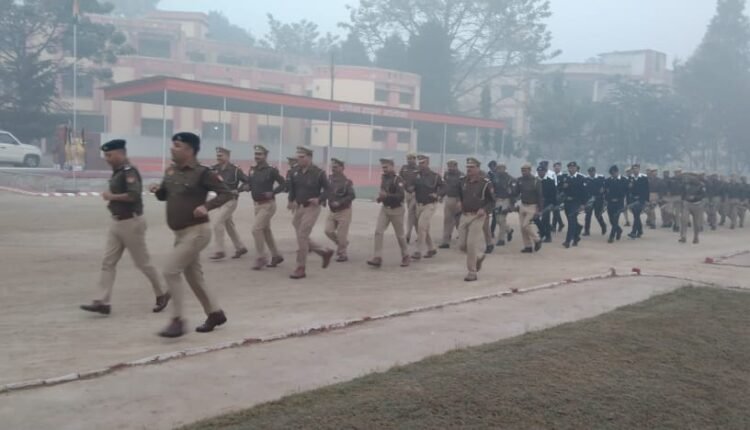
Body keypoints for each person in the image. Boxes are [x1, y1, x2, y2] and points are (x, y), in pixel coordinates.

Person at [150, 132, 232, 338]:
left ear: (189, 150)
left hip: (197, 232)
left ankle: (177, 320)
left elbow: (226, 193)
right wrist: (157, 190)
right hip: (179, 234)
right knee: (194, 277)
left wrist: (207, 206)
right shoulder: (171, 171)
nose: (172, 148)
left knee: (170, 271)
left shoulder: (202, 172)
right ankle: (215, 313)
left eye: (177, 146)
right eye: (173, 145)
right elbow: (164, 195)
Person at [80, 139, 169, 316]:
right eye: (106, 155)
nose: (107, 159)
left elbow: (133, 195)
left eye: (110, 155)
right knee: (108, 262)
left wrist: (112, 197)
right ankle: (102, 301)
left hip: (131, 222)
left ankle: (163, 292)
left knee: (142, 263)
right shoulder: (118, 171)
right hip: (117, 221)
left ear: (121, 154)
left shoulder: (129, 172)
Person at [287, 146, 334, 279]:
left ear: (309, 157)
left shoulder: (318, 173)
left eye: (302, 157)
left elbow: (329, 189)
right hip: (299, 207)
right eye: (298, 157)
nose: (299, 159)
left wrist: (319, 199)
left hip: (312, 208)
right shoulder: (294, 171)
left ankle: (300, 267)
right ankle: (323, 251)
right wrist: (291, 200)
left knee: (302, 235)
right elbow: (292, 188)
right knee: (300, 233)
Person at [247, 145, 286, 270]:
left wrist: (273, 192)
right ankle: (276, 255)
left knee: (256, 229)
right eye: (256, 154)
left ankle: (261, 257)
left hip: (268, 205)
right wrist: (245, 187)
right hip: (257, 205)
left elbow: (284, 183)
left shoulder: (271, 170)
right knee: (265, 230)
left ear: (265, 156)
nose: (257, 156)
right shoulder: (252, 170)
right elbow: (249, 184)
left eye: (260, 154)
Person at [368, 158, 410, 268]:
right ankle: (377, 257)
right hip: (385, 209)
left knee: (400, 235)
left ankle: (406, 255)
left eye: (386, 167)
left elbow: (400, 196)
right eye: (383, 167)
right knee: (378, 231)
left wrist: (387, 196)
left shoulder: (398, 179)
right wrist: (380, 198)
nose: (384, 169)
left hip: (397, 210)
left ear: (392, 166)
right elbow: (383, 192)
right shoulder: (384, 178)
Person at [457, 157, 493, 282]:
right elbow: (460, 195)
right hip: (464, 215)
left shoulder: (485, 183)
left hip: (478, 216)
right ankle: (478, 256)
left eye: (472, 167)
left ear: (478, 168)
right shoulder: (462, 181)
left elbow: (492, 201)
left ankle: (472, 272)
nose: (469, 169)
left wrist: (484, 209)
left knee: (471, 244)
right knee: (462, 245)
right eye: (467, 167)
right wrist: (459, 202)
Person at [209, 147, 249, 261]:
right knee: (228, 225)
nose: (218, 158)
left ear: (227, 156)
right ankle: (240, 247)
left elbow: (247, 181)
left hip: (231, 200)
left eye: (220, 156)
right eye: (217, 156)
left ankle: (220, 250)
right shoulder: (214, 169)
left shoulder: (235, 170)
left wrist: (239, 190)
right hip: (220, 201)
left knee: (217, 222)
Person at [412, 154, 443, 260]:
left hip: (430, 205)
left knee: (421, 226)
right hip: (418, 205)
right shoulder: (416, 175)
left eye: (423, 163)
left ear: (428, 163)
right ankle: (431, 248)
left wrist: (438, 194)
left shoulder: (435, 176)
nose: (421, 165)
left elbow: (444, 187)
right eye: (419, 163)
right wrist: (408, 187)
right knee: (424, 228)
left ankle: (418, 251)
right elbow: (410, 186)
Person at [324, 158, 355, 262]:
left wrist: (340, 202)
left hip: (344, 211)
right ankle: (343, 244)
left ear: (342, 168)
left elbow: (352, 195)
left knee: (342, 235)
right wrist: (323, 200)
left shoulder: (347, 182)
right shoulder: (329, 180)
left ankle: (342, 254)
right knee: (328, 231)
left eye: (336, 167)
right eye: (332, 167)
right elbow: (326, 191)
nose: (333, 169)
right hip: (332, 211)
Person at [513, 164, 543, 253]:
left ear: (530, 170)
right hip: (523, 205)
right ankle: (528, 246)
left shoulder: (536, 181)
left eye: (525, 170)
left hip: (532, 206)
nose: (523, 172)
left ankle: (537, 239)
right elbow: (516, 193)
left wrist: (540, 210)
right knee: (522, 228)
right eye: (522, 170)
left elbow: (540, 196)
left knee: (525, 225)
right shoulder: (519, 180)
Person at [557, 161, 586, 248]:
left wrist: (583, 204)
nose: (572, 169)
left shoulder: (581, 178)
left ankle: (568, 241)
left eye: (573, 167)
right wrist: (563, 186)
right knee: (572, 221)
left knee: (571, 219)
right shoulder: (565, 177)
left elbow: (584, 192)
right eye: (570, 168)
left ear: (576, 168)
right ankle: (577, 236)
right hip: (567, 202)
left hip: (576, 202)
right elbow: (558, 188)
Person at [439, 160, 463, 249]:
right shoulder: (446, 174)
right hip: (449, 199)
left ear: (456, 166)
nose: (450, 168)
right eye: (448, 166)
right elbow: (445, 186)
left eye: (451, 166)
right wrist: (441, 195)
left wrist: (460, 201)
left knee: (459, 222)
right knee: (447, 220)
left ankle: (463, 240)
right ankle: (445, 241)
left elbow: (462, 190)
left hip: (457, 200)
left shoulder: (461, 176)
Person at [491, 163, 515, 247]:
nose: (500, 170)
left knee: (502, 219)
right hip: (497, 200)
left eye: (501, 168)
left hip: (506, 200)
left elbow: (513, 193)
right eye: (498, 168)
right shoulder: (495, 178)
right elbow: (492, 189)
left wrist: (512, 204)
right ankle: (509, 230)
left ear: (505, 168)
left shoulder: (510, 179)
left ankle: (501, 239)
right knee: (498, 220)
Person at [604, 165, 628, 243]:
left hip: (619, 203)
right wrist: (606, 199)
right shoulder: (608, 181)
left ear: (617, 172)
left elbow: (626, 192)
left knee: (615, 219)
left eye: (614, 173)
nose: (613, 175)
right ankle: (619, 230)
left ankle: (611, 236)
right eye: (611, 173)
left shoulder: (624, 180)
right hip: (610, 203)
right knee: (611, 220)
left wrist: (625, 202)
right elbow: (605, 191)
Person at [679, 173, 706, 244]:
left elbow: (703, 195)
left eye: (693, 176)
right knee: (684, 220)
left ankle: (696, 237)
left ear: (696, 177)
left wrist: (695, 197)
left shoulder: (701, 185)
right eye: (690, 176)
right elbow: (683, 193)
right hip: (687, 204)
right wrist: (683, 200)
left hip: (697, 205)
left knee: (696, 223)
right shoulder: (686, 184)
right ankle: (683, 236)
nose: (691, 178)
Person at [399, 153, 419, 244]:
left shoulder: (418, 169)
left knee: (411, 212)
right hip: (407, 193)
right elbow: (399, 178)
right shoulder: (404, 168)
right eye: (408, 158)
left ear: (415, 159)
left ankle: (408, 235)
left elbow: (422, 181)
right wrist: (403, 185)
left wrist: (415, 187)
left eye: (411, 158)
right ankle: (420, 234)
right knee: (414, 216)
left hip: (416, 194)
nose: (410, 160)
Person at [627, 164, 649, 239]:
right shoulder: (630, 178)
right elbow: (628, 191)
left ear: (639, 169)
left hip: (641, 199)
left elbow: (647, 189)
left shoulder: (644, 177)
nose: (635, 170)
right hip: (633, 200)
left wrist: (646, 200)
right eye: (634, 169)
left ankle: (633, 232)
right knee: (636, 215)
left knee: (636, 215)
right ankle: (640, 231)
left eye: (636, 168)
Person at [583, 166, 607, 236]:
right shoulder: (586, 179)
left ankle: (603, 226)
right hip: (590, 199)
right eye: (590, 172)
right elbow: (584, 189)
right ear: (588, 173)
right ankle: (586, 231)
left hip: (598, 199)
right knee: (588, 215)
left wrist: (604, 190)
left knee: (597, 214)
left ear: (595, 171)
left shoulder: (601, 178)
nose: (591, 173)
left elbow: (606, 186)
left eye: (592, 171)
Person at [536, 165, 557, 243]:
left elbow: (554, 194)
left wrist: (553, 204)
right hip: (537, 203)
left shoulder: (550, 181)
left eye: (542, 171)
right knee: (536, 219)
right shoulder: (535, 180)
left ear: (545, 172)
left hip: (547, 203)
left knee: (545, 220)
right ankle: (542, 233)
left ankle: (548, 236)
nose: (540, 173)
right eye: (539, 171)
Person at [551, 161, 566, 232]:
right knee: (555, 210)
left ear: (560, 167)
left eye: (558, 167)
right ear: (553, 168)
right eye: (556, 167)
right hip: (552, 195)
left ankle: (553, 226)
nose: (557, 168)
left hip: (560, 195)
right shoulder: (551, 176)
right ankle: (561, 224)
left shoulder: (564, 176)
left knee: (555, 209)